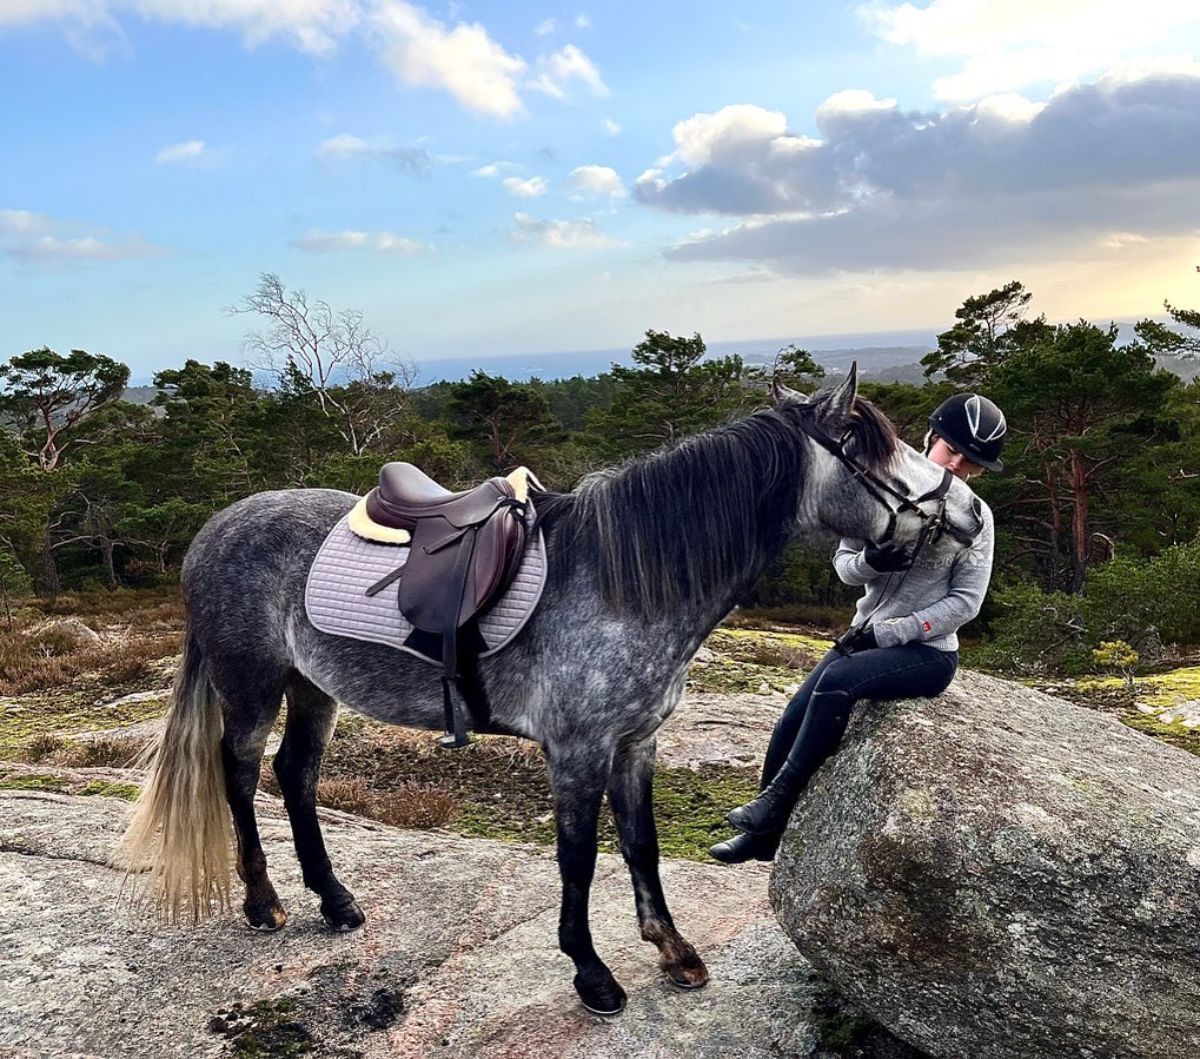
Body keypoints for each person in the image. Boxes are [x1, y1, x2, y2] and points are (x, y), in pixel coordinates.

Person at [709, 392, 1006, 863]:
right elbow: (845, 568)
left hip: (927, 653)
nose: (956, 467)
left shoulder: (975, 517)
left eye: (969, 464)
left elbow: (966, 603)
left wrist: (892, 632)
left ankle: (777, 802)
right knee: (793, 714)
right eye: (951, 451)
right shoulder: (882, 486)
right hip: (860, 634)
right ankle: (762, 836)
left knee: (839, 680)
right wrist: (871, 559)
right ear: (930, 438)